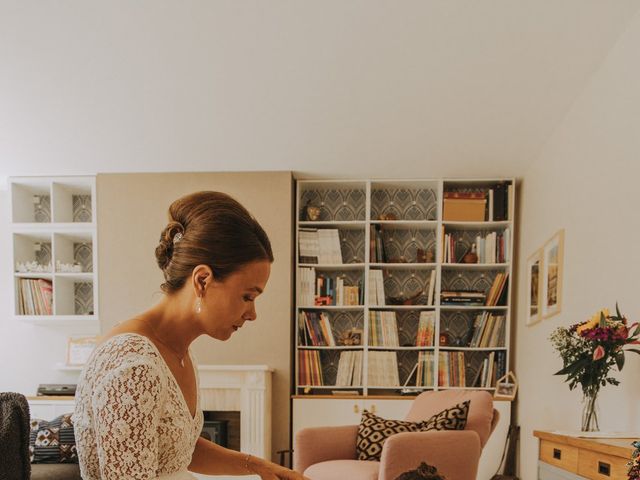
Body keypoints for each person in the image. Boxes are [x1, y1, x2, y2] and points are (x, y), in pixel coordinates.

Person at [74, 191, 307, 480]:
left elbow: (176, 449)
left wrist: (261, 466)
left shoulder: (176, 350)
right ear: (202, 280)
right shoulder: (133, 366)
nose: (252, 314)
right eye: (247, 296)